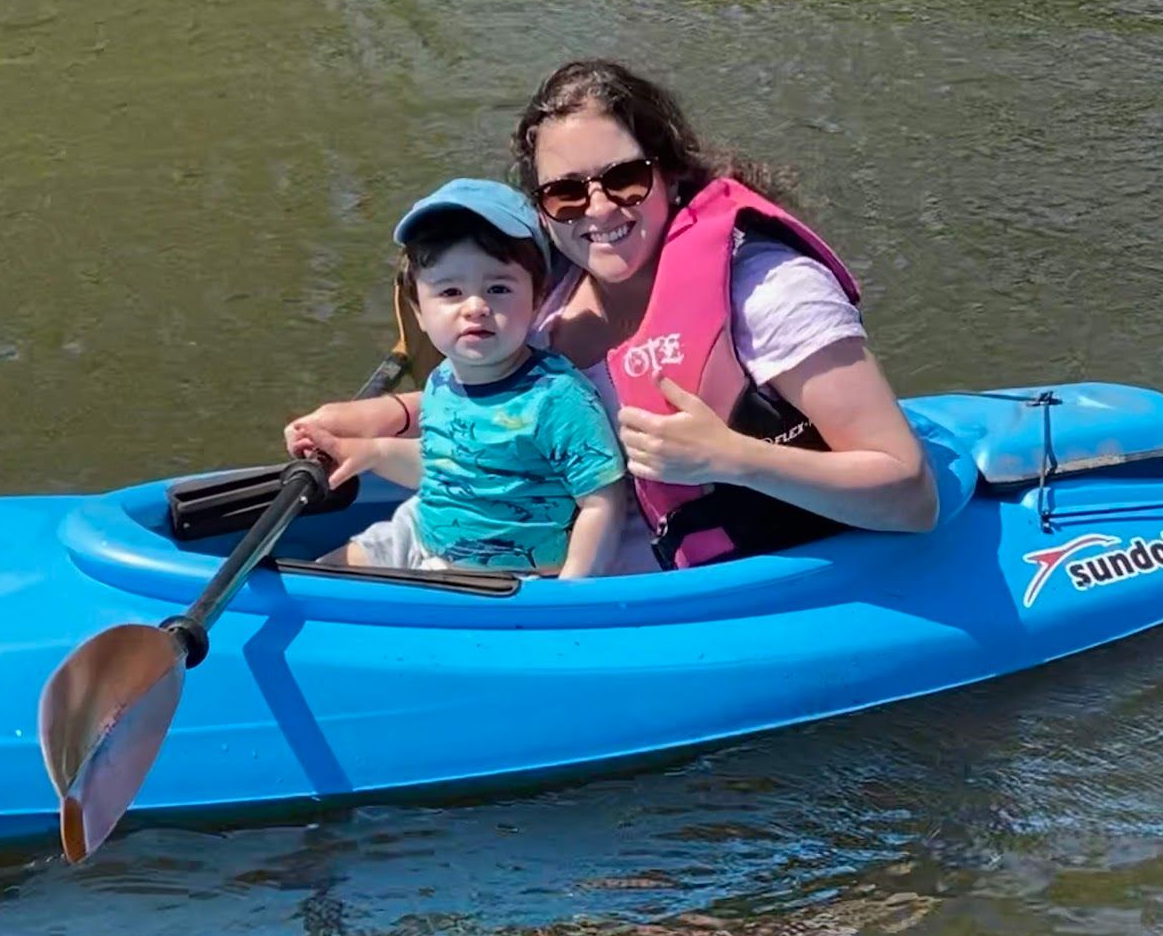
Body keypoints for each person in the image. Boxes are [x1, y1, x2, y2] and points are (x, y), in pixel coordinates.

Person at [287, 62, 938, 573]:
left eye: (624, 179)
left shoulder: (767, 291)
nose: (597, 209)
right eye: (566, 192)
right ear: (542, 209)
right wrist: (389, 416)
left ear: (671, 174)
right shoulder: (545, 292)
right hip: (503, 527)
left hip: (664, 579)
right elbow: (516, 402)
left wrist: (731, 457)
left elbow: (911, 496)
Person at [294, 178, 628, 579]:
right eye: (450, 292)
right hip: (423, 536)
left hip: (515, 578)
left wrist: (571, 589)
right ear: (418, 311)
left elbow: (603, 502)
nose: (475, 307)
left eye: (498, 288)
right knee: (315, 578)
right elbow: (446, 469)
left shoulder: (558, 398)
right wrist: (367, 453)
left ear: (537, 300)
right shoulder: (441, 381)